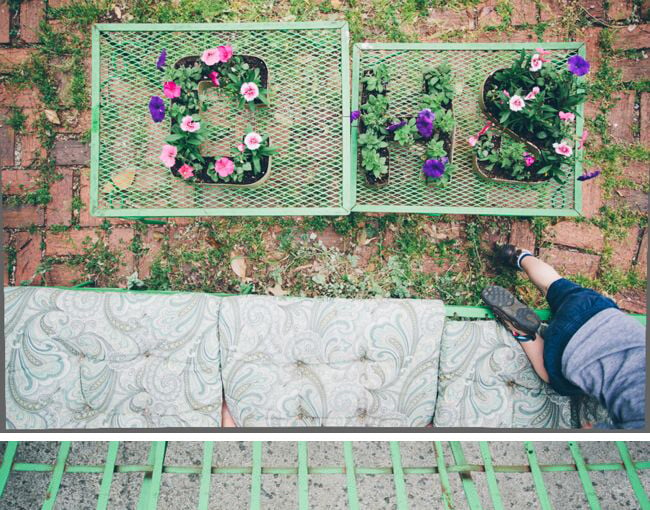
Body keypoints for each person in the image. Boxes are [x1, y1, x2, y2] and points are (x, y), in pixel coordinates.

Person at [481, 244, 646, 429]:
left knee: (553, 284)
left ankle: (518, 256)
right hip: (569, 350)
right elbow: (589, 430)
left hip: (598, 312)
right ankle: (523, 332)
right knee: (555, 379)